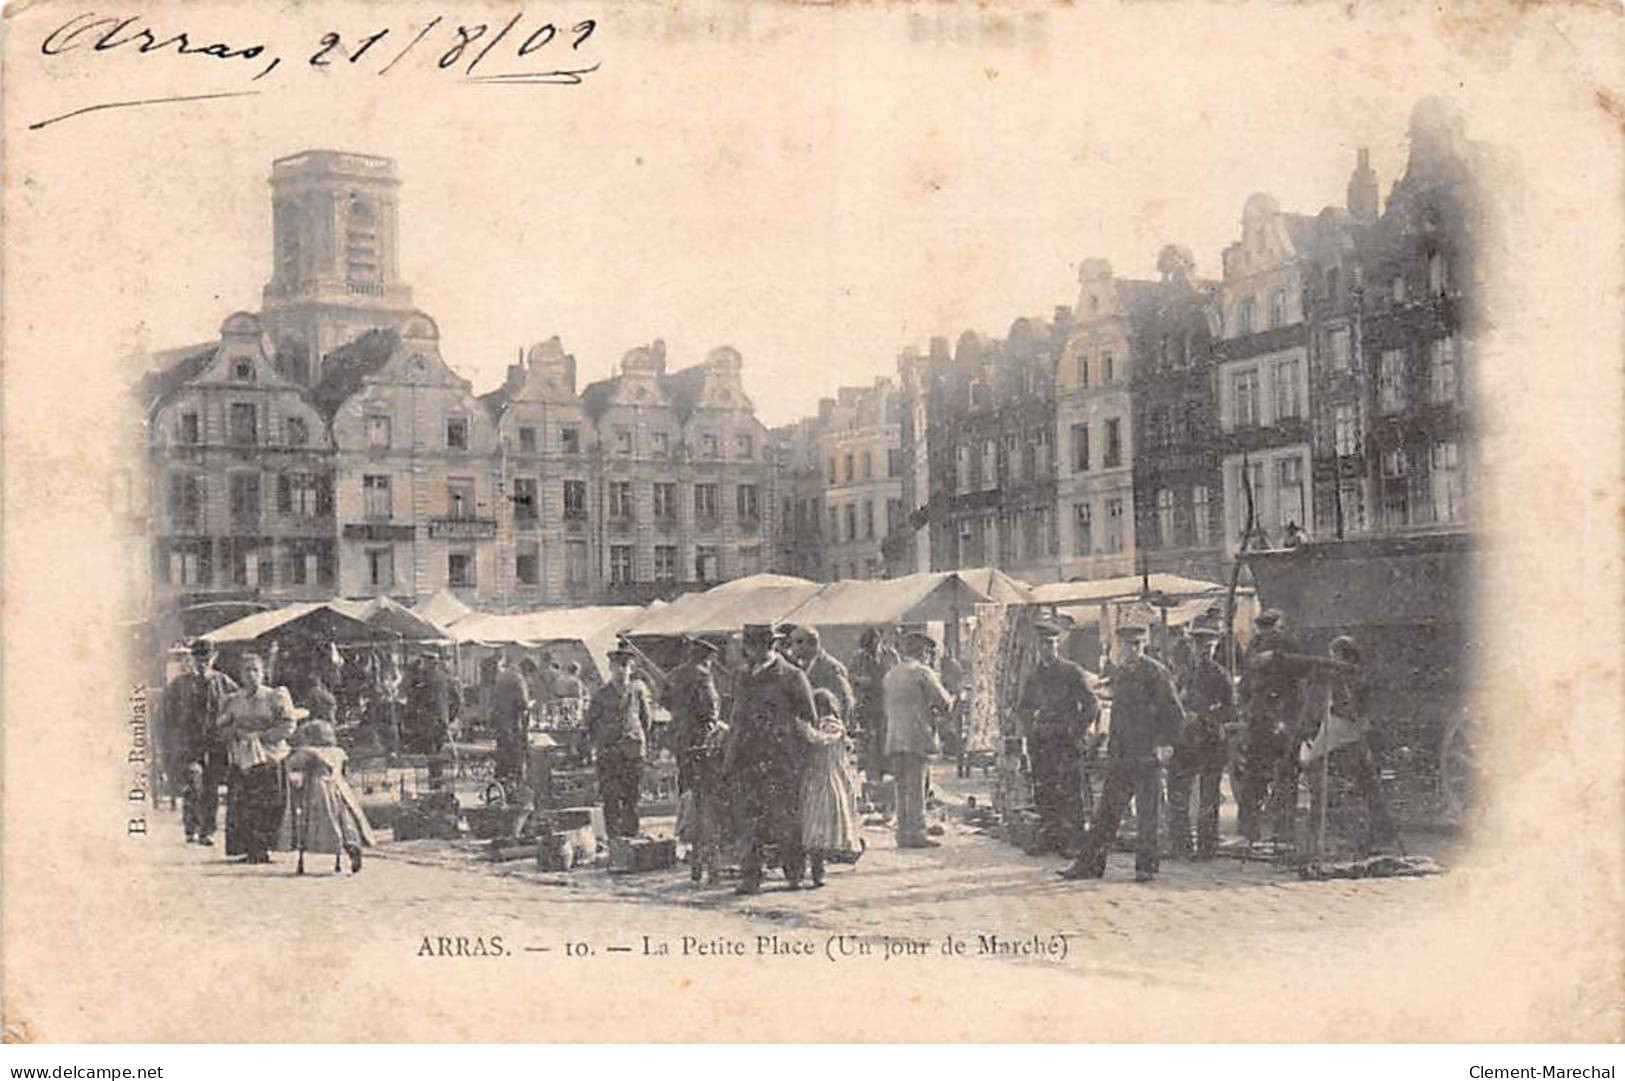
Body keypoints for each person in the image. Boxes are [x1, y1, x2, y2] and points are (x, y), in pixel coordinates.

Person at [1061, 624, 1184, 882]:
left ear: (1141, 646)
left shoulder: (1156, 672)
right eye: (1126, 646)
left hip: (1146, 754)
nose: (1130, 650)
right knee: (1106, 813)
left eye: (1135, 646)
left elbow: (1174, 713)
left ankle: (1146, 868)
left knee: (1147, 814)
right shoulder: (1123, 673)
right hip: (1122, 754)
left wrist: (1165, 745)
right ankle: (1090, 865)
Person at [724, 623, 818, 894]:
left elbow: (808, 719)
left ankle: (794, 872)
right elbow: (736, 718)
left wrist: (796, 755)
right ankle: (751, 876)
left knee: (785, 817)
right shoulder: (742, 676)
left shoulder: (791, 676)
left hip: (781, 760)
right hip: (747, 758)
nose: (748, 651)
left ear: (768, 646)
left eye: (752, 646)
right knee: (748, 818)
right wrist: (730, 757)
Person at [1300, 636, 1398, 856]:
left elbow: (1351, 708)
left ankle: (1332, 833)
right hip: (1348, 730)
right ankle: (1374, 832)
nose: (1332, 659)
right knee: (1366, 782)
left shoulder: (1352, 677)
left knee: (1319, 772)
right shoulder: (1351, 675)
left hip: (1345, 729)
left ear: (1344, 656)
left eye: (1334, 655)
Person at [1016, 624, 1099, 857]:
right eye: (1042, 644)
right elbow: (1023, 708)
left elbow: (1092, 705)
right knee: (1044, 789)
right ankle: (1050, 837)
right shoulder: (1034, 676)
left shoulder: (1071, 671)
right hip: (1042, 742)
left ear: (1057, 645)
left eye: (1051, 644)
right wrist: (1031, 730)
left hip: (1066, 740)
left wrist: (1076, 730)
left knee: (1071, 791)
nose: (1046, 649)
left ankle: (1074, 841)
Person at [217, 652, 299, 864]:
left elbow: (289, 724)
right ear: (240, 675)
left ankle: (265, 848)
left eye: (255, 670)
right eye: (247, 670)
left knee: (268, 804)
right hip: (243, 759)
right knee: (244, 805)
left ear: (263, 673)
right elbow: (222, 726)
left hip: (269, 757)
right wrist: (235, 733)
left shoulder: (275, 696)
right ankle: (249, 849)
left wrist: (262, 737)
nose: (251, 675)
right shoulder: (234, 700)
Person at [1239, 608, 1307, 844]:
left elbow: (1246, 687)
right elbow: (1300, 678)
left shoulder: (1254, 647)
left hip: (1262, 719)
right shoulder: (1287, 644)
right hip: (1281, 721)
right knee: (1285, 776)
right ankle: (1281, 831)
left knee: (1256, 775)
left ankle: (1250, 831)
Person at [1166, 627, 1235, 859]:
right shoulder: (1183, 674)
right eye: (1200, 647)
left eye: (1210, 648)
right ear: (1192, 648)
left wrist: (1204, 715)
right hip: (1185, 742)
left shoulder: (1220, 675)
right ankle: (1181, 845)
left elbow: (1231, 711)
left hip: (1210, 741)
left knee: (1209, 796)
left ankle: (1207, 848)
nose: (1205, 652)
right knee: (1177, 793)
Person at [160, 639, 238, 845]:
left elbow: (236, 707)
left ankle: (207, 831)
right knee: (193, 784)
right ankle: (191, 828)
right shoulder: (179, 684)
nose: (203, 662)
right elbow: (168, 716)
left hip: (216, 743)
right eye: (198, 658)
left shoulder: (224, 682)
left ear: (214, 658)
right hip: (189, 743)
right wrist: (172, 742)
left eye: (206, 658)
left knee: (211, 787)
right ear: (191, 659)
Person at [883, 630, 953, 849]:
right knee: (916, 787)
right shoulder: (923, 672)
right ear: (923, 652)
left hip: (895, 735)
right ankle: (916, 833)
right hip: (917, 735)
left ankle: (903, 832)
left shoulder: (892, 673)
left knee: (901, 787)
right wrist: (952, 699)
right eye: (929, 653)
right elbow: (944, 703)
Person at [665, 636, 728, 882]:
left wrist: (680, 716)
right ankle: (707, 856)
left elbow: (664, 700)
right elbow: (710, 709)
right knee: (707, 800)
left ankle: (692, 848)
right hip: (701, 742)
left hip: (681, 742)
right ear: (708, 657)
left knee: (688, 795)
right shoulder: (703, 676)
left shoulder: (676, 674)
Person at [279, 720, 377, 874]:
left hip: (316, 787)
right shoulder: (337, 752)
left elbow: (291, 765)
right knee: (345, 819)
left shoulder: (308, 752)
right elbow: (345, 772)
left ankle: (308, 851)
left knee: (312, 819)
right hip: (339, 786)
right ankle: (351, 845)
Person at [797, 688, 861, 888]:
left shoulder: (832, 725)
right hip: (814, 779)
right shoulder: (819, 724)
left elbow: (820, 739)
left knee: (822, 824)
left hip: (827, 780)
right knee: (815, 825)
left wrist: (803, 728)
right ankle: (817, 866)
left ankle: (821, 867)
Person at [587, 646, 652, 838]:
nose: (622, 670)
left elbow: (646, 719)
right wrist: (603, 743)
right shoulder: (601, 694)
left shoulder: (637, 690)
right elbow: (591, 723)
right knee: (611, 799)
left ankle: (631, 839)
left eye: (626, 666)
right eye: (618, 666)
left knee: (632, 798)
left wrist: (636, 737)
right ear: (610, 668)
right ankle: (614, 841)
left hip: (633, 752)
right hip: (610, 753)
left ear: (631, 668)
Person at [848, 627, 899, 784]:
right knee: (869, 740)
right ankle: (872, 776)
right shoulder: (859, 658)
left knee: (886, 739)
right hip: (867, 703)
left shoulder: (890, 655)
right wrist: (861, 680)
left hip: (887, 702)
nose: (876, 644)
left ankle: (887, 773)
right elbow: (850, 676)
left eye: (878, 640)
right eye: (872, 641)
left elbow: (898, 673)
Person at [785, 626, 855, 723]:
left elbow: (845, 700)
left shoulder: (830, 667)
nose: (792, 648)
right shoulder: (802, 666)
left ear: (812, 643)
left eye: (796, 642)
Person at [490, 652, 532, 787]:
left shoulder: (501, 676)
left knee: (502, 748)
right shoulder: (518, 679)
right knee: (516, 750)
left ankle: (500, 777)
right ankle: (516, 780)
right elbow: (523, 702)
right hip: (514, 720)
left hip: (500, 718)